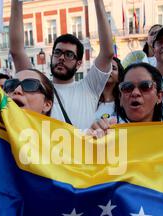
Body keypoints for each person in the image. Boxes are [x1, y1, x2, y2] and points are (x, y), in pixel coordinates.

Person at [9, 0, 113, 129]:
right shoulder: (37, 86)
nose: (61, 58)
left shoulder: (89, 87)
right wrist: (17, 2)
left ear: (78, 63)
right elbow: (16, 51)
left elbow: (107, 52)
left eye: (69, 55)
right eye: (57, 52)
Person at [89, 62, 163, 138]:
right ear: (120, 98)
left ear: (159, 96)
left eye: (145, 86)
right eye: (127, 87)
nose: (135, 93)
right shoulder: (108, 134)